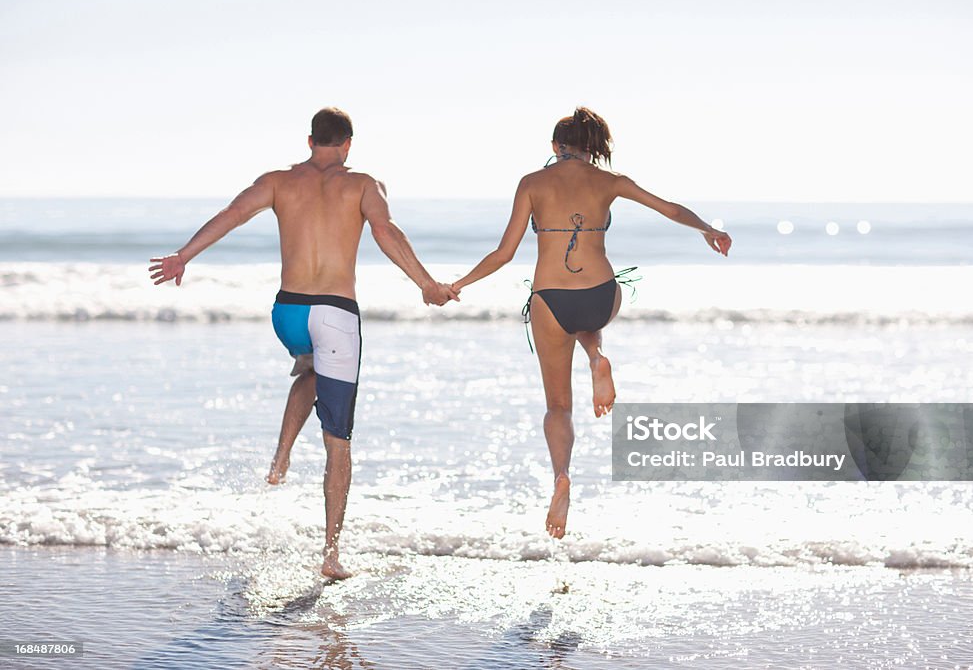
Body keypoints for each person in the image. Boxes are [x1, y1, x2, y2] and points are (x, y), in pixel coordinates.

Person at [149, 107, 458, 579]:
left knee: (310, 370)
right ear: (348, 144)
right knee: (338, 441)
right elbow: (386, 232)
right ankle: (331, 555)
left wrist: (182, 256)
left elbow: (232, 215)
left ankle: (280, 458)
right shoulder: (363, 185)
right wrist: (427, 283)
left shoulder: (277, 181)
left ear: (310, 139)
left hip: (288, 312)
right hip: (334, 315)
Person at [452, 107, 731, 539]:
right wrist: (707, 229)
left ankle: (561, 475)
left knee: (558, 406)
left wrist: (458, 284)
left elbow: (504, 253)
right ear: (592, 148)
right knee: (599, 306)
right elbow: (669, 209)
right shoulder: (610, 182)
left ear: (555, 147)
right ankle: (596, 353)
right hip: (601, 297)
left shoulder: (532, 183)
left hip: (550, 301)